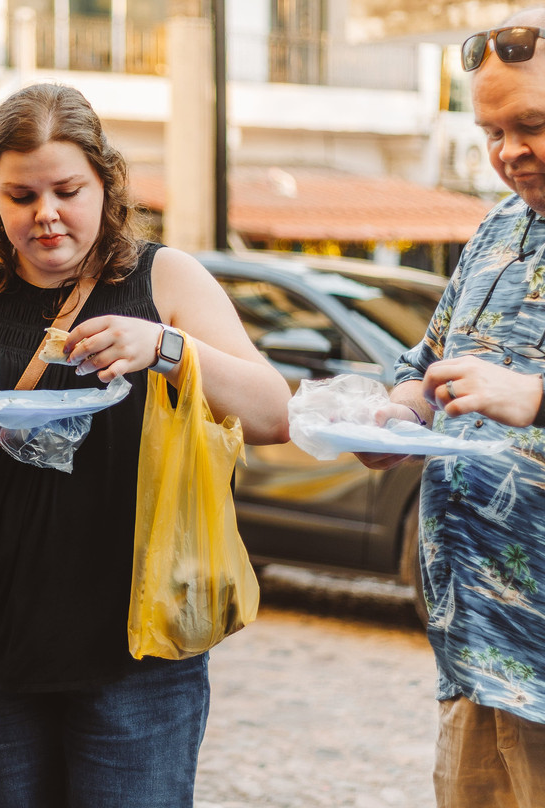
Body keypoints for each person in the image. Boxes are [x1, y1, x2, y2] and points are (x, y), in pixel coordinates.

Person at [0, 83, 290, 808]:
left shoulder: (163, 280)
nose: (45, 214)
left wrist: (167, 346)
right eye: (21, 196)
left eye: (66, 190)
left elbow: (275, 412)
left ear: (106, 184)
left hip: (137, 647)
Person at [357, 9, 545, 806]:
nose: (509, 154)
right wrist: (400, 415)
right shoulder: (498, 228)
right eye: (492, 132)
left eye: (531, 124)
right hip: (475, 654)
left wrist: (534, 396)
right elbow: (424, 367)